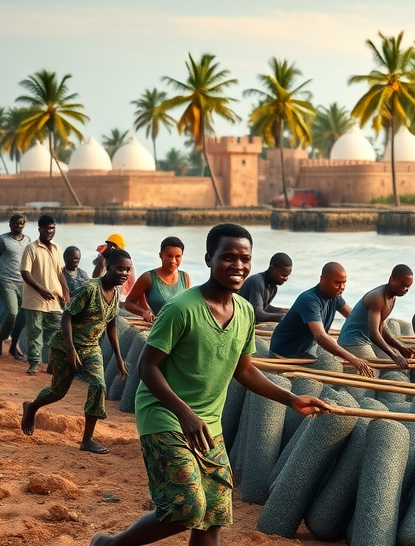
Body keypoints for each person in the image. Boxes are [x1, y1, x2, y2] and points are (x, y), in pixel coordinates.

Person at [90, 224, 331, 546]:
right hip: (165, 416)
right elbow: (147, 366)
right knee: (186, 508)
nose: (238, 265)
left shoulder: (244, 312)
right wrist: (185, 413)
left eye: (245, 258)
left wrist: (290, 398)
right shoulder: (181, 309)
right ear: (209, 259)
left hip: (208, 424)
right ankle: (109, 544)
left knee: (213, 516)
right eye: (228, 257)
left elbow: (245, 370)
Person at [21, 249, 133, 454]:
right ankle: (32, 407)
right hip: (65, 345)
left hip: (91, 347)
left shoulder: (116, 293)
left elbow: (111, 325)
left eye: (128, 270)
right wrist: (71, 349)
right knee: (58, 391)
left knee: (98, 386)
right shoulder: (90, 288)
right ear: (108, 267)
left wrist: (119, 358)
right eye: (120, 268)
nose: (124, 273)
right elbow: (67, 316)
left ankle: (87, 440)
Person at [269, 262, 374, 377]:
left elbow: (354, 317)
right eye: (337, 283)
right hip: (286, 353)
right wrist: (353, 359)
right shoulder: (309, 300)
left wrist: (375, 330)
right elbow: (320, 336)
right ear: (322, 279)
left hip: (307, 349)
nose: (342, 287)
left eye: (344, 283)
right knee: (333, 367)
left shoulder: (335, 297)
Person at [337, 264, 415, 369]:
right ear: (392, 279)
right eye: (403, 286)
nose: (406, 289)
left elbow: (381, 329)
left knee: (395, 363)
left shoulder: (392, 296)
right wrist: (393, 355)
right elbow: (374, 333)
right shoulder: (378, 298)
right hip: (353, 341)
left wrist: (400, 348)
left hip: (369, 339)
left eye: (408, 287)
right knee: (374, 371)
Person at [20, 215, 70, 375]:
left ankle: (51, 364)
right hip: (34, 299)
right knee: (35, 332)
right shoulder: (31, 248)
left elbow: (60, 272)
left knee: (55, 333)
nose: (50, 231)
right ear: (40, 229)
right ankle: (34, 363)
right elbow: (25, 272)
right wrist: (41, 289)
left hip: (54, 298)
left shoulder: (57, 248)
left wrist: (65, 291)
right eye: (47, 228)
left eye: (53, 228)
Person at [124, 237, 191, 323]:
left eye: (178, 256)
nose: (173, 261)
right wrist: (144, 312)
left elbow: (189, 306)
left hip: (181, 327)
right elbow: (128, 303)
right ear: (160, 255)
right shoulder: (148, 277)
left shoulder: (185, 277)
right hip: (157, 327)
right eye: (169, 256)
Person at [0, 214, 30, 360]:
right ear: (10, 223)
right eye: (15, 223)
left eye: (21, 223)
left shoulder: (27, 240)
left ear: (24, 224)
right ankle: (0, 338)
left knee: (23, 315)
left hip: (23, 282)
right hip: (6, 281)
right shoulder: (2, 239)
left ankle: (14, 345)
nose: (18, 226)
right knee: (12, 313)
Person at [238, 252, 291, 324]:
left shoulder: (273, 288)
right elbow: (256, 314)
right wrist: (281, 317)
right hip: (239, 322)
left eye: (288, 275)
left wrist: (285, 311)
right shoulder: (256, 281)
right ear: (272, 269)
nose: (286, 279)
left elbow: (265, 308)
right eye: (283, 275)